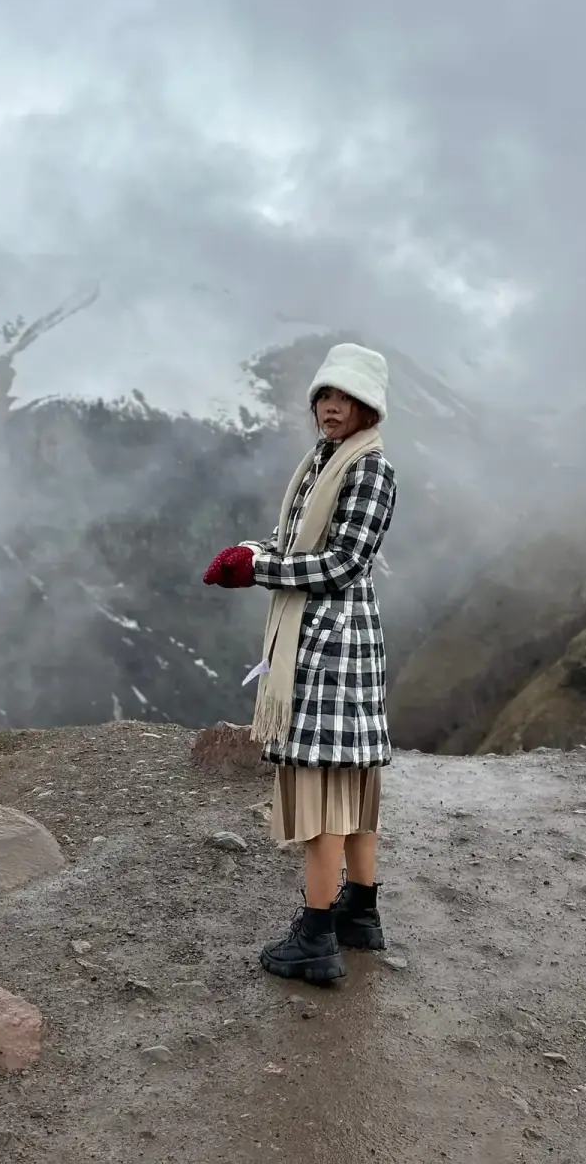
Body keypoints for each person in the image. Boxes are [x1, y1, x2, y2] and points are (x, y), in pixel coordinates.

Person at [202, 341, 399, 985]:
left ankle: (316, 938)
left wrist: (257, 569)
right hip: (331, 644)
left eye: (344, 398)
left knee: (324, 793)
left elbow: (342, 563)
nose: (329, 408)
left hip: (331, 650)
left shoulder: (370, 471)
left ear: (369, 407)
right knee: (353, 785)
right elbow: (299, 543)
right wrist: (252, 549)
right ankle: (359, 912)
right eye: (323, 395)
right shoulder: (324, 463)